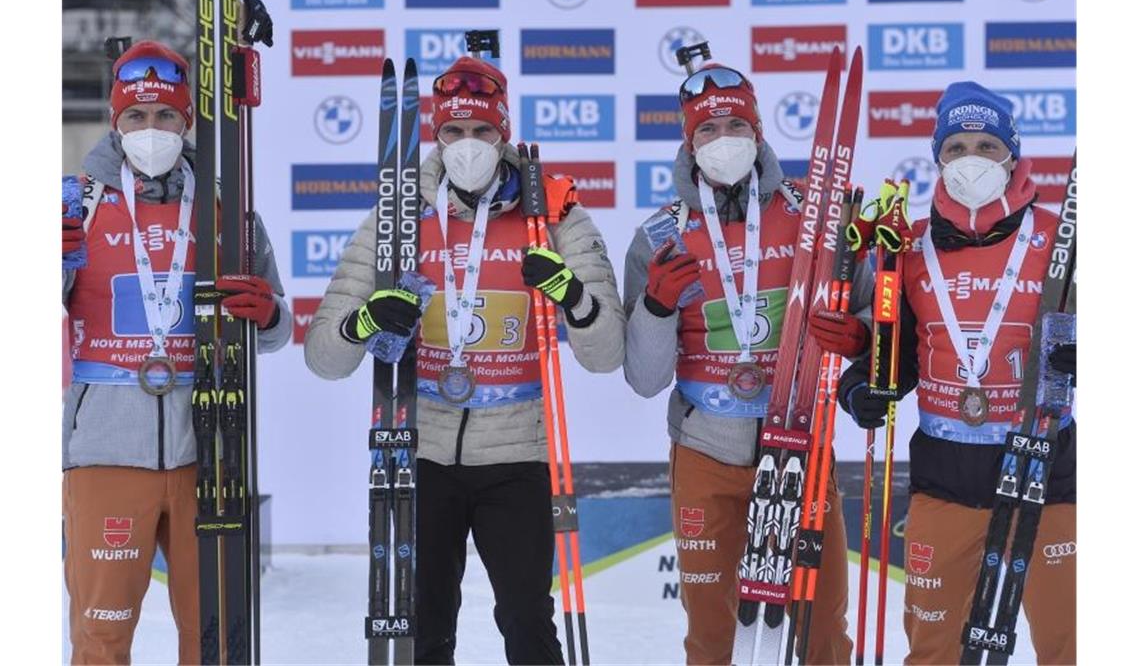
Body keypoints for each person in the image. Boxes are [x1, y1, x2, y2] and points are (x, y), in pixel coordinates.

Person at [303, 55, 625, 665]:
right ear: (436, 135)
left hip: (517, 458)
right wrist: (364, 321)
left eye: (482, 132)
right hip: (421, 454)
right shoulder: (399, 219)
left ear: (502, 135)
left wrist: (573, 297)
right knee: (425, 629)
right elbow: (324, 357)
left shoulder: (552, 216)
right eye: (454, 132)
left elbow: (608, 356)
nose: (468, 146)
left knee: (528, 624)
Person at [622, 61, 870, 664]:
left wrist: (858, 337)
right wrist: (655, 307)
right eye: (708, 130)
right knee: (713, 632)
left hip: (799, 452)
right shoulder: (660, 236)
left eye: (736, 124)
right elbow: (645, 379)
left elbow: (869, 316)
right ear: (689, 142)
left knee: (822, 629)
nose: (723, 139)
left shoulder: (816, 216)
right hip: (707, 450)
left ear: (758, 132)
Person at [61, 40, 291, 665]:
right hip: (106, 452)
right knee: (101, 637)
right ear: (116, 121)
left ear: (187, 122)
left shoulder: (227, 211)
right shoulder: (74, 203)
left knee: (210, 637)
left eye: (166, 116)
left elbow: (273, 330)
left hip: (209, 450)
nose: (151, 130)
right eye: (136, 117)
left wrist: (268, 313)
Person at [837, 82, 1076, 664]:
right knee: (933, 648)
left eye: (988, 147)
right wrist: (860, 387)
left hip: (1048, 470)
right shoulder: (910, 247)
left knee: (1071, 643)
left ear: (1012, 157)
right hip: (946, 473)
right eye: (957, 147)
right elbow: (895, 357)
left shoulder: (1061, 240)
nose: (972, 160)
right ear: (938, 157)